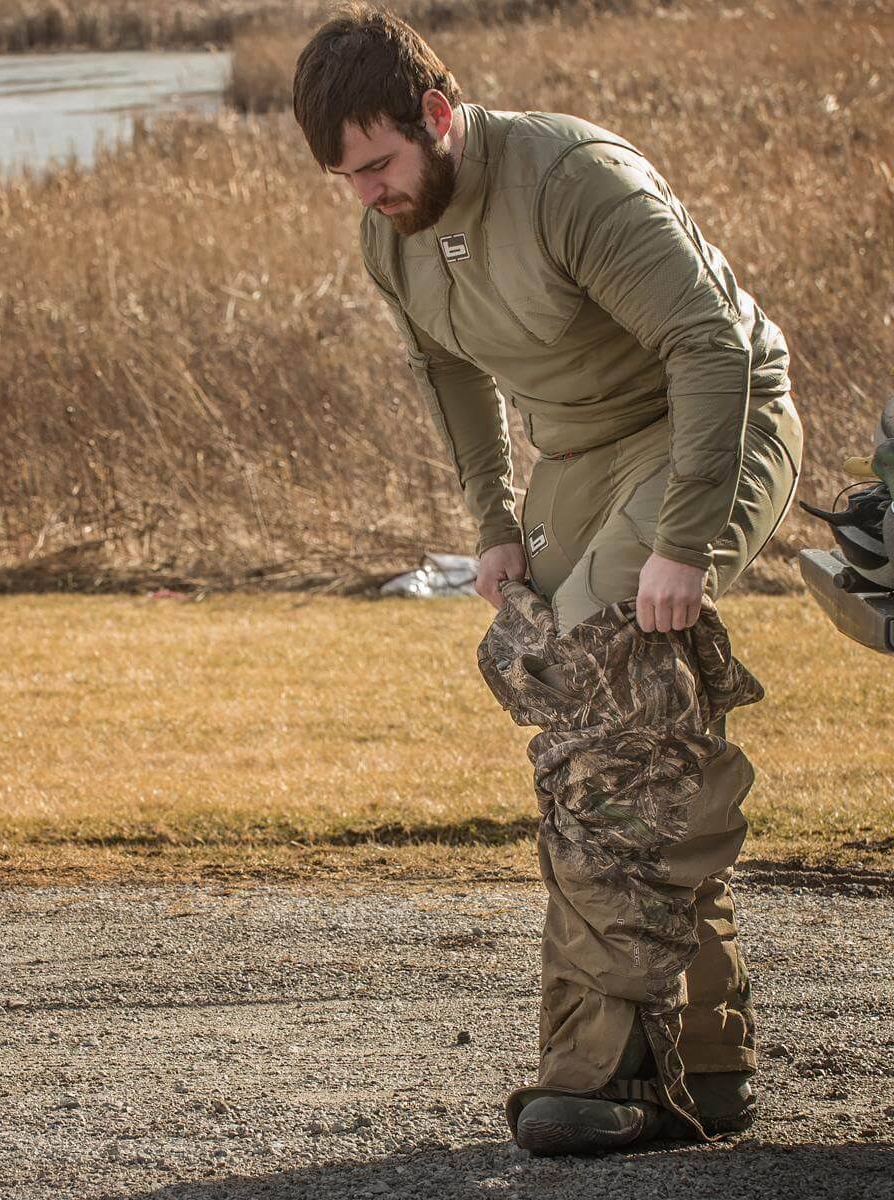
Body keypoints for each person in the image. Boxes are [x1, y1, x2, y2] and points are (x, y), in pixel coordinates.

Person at [292, 4, 803, 1156]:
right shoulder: (394, 237)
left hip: (711, 421)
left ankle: (606, 1066)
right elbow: (450, 377)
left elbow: (712, 349)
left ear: (438, 114)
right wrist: (493, 525)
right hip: (581, 457)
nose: (367, 193)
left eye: (378, 163)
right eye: (346, 177)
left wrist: (683, 542)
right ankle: (708, 1057)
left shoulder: (572, 178)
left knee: (608, 683)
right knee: (601, 702)